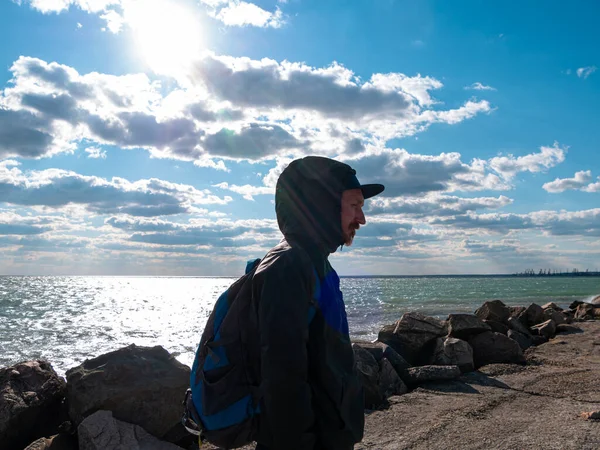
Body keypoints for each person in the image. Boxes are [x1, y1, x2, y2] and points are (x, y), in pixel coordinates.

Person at [252, 156, 385, 450]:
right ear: (320, 206)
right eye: (354, 206)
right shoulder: (288, 267)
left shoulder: (314, 264)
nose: (361, 219)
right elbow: (282, 380)